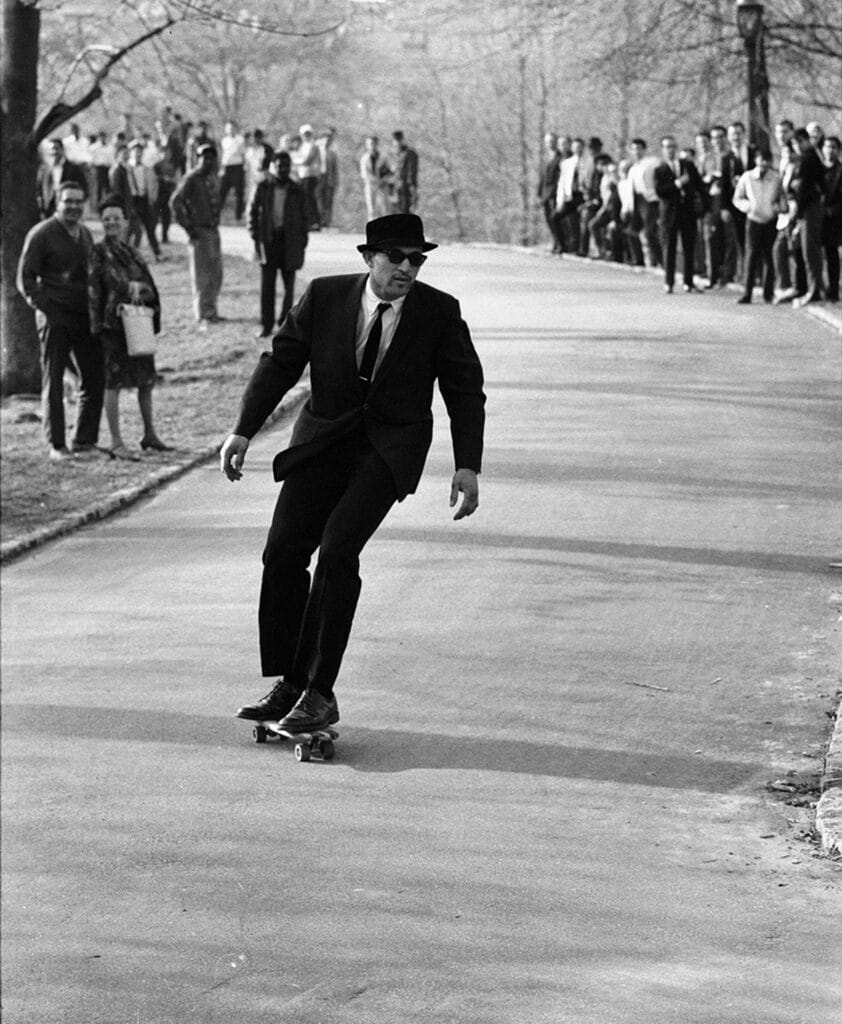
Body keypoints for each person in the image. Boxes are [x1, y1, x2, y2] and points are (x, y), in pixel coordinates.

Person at [220, 213, 486, 734]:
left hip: (388, 451)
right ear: (369, 258)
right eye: (396, 258)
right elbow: (279, 363)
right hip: (322, 441)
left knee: (339, 550)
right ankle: (290, 684)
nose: (408, 269)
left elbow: (464, 391)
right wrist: (243, 429)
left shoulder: (439, 312)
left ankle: (320, 692)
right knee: (282, 554)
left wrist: (467, 464)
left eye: (418, 259)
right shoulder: (325, 297)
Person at [16, 181, 104, 461]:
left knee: (93, 376)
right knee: (53, 380)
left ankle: (84, 439)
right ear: (58, 202)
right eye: (68, 201)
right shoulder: (42, 234)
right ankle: (57, 445)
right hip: (55, 317)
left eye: (79, 201)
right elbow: (25, 279)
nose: (74, 207)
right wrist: (47, 307)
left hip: (83, 316)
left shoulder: (86, 234)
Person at [88, 195, 171, 460]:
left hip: (138, 323)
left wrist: (141, 291)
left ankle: (149, 434)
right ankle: (115, 440)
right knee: (113, 383)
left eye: (116, 218)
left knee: (145, 380)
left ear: (125, 221)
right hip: (112, 326)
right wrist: (96, 327)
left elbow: (149, 286)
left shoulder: (134, 252)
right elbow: (95, 290)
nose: (112, 223)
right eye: (106, 219)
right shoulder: (98, 252)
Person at [247, 150, 309, 339]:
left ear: (290, 168)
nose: (282, 169)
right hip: (269, 240)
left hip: (289, 242)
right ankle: (266, 325)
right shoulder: (263, 187)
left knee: (289, 286)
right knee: (267, 286)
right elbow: (252, 213)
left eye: (286, 166)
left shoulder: (297, 190)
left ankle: (284, 324)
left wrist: (302, 242)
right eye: (279, 166)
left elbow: (305, 218)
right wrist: (255, 236)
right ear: (272, 167)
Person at [170, 142, 224, 330]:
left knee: (216, 273)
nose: (208, 161)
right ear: (198, 158)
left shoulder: (212, 178)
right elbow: (175, 203)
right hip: (199, 231)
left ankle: (212, 309)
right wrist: (188, 228)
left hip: (213, 229)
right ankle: (203, 314)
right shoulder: (191, 178)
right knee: (202, 275)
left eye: (211, 157)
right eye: (204, 157)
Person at [654, 135, 706, 293]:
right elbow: (660, 191)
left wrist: (703, 205)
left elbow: (699, 185)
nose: (670, 150)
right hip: (669, 214)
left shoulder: (687, 165)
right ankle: (669, 282)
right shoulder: (660, 169)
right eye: (666, 147)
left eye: (672, 147)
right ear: (662, 150)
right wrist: (677, 184)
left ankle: (688, 281)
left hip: (687, 212)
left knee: (689, 247)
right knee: (669, 247)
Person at [732, 149, 783, 304]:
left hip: (770, 220)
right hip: (753, 219)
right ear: (756, 160)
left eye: (767, 160)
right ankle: (747, 292)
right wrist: (748, 207)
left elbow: (781, 197)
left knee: (769, 256)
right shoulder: (747, 177)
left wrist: (776, 209)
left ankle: (768, 292)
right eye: (762, 160)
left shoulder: (775, 178)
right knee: (751, 256)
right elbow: (737, 198)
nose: (764, 163)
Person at [789, 127, 826, 307]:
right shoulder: (810, 157)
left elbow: (804, 189)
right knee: (807, 249)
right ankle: (815, 287)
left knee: (810, 250)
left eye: (797, 143)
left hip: (809, 208)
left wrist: (797, 214)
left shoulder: (808, 158)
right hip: (810, 207)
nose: (796, 147)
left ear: (803, 141)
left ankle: (814, 290)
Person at [627, 138, 662, 268]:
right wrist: (628, 206)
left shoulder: (651, 163)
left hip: (650, 200)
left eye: (639, 149)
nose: (637, 152)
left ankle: (661, 261)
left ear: (644, 150)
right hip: (637, 200)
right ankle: (638, 259)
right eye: (634, 149)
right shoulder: (632, 168)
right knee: (631, 231)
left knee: (649, 231)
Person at [127, 139, 162, 260]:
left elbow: (153, 184)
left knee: (149, 227)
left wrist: (152, 198)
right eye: (135, 151)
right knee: (131, 229)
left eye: (140, 152)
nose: (138, 154)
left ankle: (157, 253)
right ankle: (126, 254)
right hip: (132, 200)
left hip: (144, 200)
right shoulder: (127, 169)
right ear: (131, 152)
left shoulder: (147, 168)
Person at [36, 138, 88, 219]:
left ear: (62, 150)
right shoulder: (44, 169)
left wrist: (76, 204)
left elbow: (84, 188)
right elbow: (39, 190)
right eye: (51, 149)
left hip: (68, 209)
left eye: (56, 149)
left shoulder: (73, 168)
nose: (54, 152)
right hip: (48, 210)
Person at [821, 135, 842, 304]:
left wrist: (832, 210)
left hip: (833, 219)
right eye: (827, 146)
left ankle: (833, 290)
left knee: (832, 254)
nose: (830, 150)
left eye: (833, 147)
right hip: (815, 217)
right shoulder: (818, 168)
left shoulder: (840, 170)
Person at [292, 124, 322, 229]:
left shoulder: (313, 146)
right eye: (305, 134)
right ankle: (309, 221)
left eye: (308, 134)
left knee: (310, 199)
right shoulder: (302, 146)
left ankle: (315, 222)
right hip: (302, 175)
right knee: (306, 199)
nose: (306, 136)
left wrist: (295, 161)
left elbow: (307, 160)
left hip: (310, 175)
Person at [538, 132, 563, 253]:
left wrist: (554, 193)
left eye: (552, 141)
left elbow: (559, 178)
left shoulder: (560, 158)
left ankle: (560, 244)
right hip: (545, 194)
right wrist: (539, 193)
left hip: (553, 193)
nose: (550, 144)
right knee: (548, 219)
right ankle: (555, 242)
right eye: (548, 142)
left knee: (555, 219)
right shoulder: (547, 157)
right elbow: (543, 177)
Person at [219, 119, 247, 221]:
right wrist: (222, 168)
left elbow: (243, 154)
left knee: (239, 193)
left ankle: (238, 216)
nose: (230, 130)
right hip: (227, 167)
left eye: (232, 128)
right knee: (222, 191)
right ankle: (217, 213)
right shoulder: (224, 141)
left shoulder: (240, 140)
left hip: (237, 167)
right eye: (228, 128)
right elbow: (224, 155)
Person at [360, 135, 391, 220]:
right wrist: (375, 181)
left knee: (385, 208)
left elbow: (389, 171)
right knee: (371, 209)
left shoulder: (384, 157)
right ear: (367, 145)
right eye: (370, 144)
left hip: (383, 185)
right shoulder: (364, 158)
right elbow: (364, 174)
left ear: (377, 144)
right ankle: (372, 229)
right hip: (370, 185)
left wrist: (383, 180)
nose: (372, 146)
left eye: (374, 143)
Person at [390, 130, 419, 214]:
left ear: (402, 140)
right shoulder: (396, 154)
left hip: (406, 187)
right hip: (397, 188)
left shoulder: (410, 153)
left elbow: (412, 172)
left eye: (399, 140)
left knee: (406, 212)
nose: (397, 143)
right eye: (395, 141)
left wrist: (412, 187)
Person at [316, 127, 340, 228]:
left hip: (329, 180)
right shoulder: (316, 152)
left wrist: (335, 182)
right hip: (319, 179)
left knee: (328, 201)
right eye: (324, 140)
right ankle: (320, 220)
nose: (326, 142)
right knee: (319, 200)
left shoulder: (332, 154)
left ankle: (327, 221)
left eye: (328, 140)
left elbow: (335, 170)